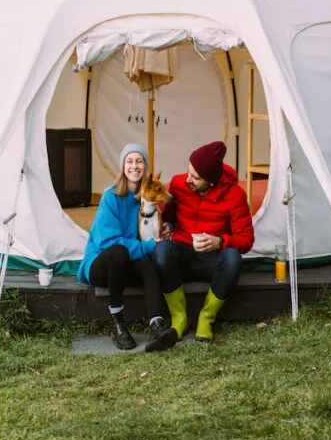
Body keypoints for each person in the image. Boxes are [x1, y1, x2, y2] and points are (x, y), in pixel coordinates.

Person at [146, 141, 254, 351]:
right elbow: (168, 217)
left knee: (233, 258)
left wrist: (220, 241)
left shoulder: (235, 195)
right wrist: (166, 225)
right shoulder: (178, 184)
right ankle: (179, 318)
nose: (188, 179)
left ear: (211, 182)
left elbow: (246, 239)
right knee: (161, 250)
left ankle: (206, 317)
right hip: (183, 255)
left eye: (195, 177)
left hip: (212, 261)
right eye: (189, 172)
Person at [77, 143, 170, 350]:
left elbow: (160, 219)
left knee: (147, 266)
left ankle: (157, 324)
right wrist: (146, 246)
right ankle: (118, 322)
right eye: (129, 161)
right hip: (101, 263)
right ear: (123, 166)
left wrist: (166, 228)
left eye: (139, 161)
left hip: (128, 261)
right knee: (119, 252)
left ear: (145, 166)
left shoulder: (146, 197)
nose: (134, 166)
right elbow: (107, 241)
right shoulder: (111, 195)